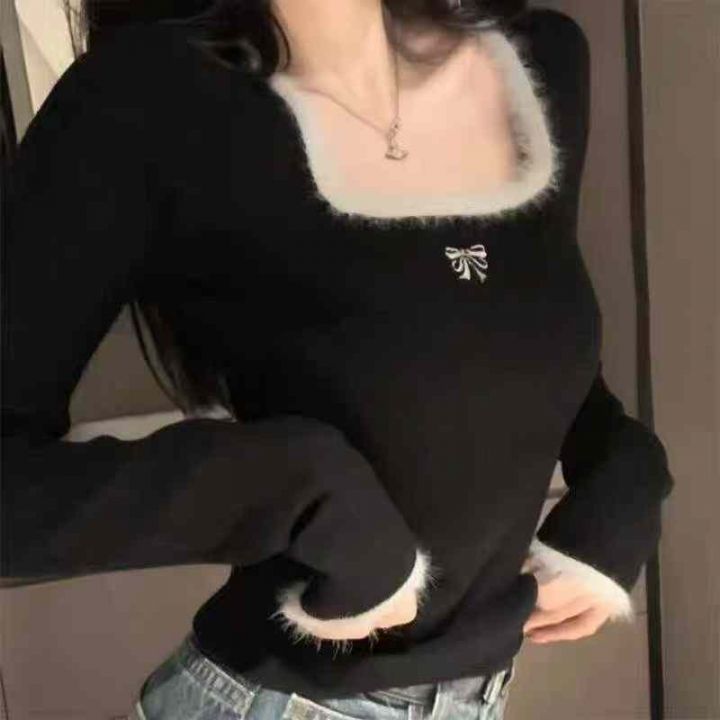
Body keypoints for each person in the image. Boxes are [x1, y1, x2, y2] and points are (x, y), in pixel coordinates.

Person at [1, 1, 676, 718]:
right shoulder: (143, 96)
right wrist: (291, 485)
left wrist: (625, 466)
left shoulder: (542, 61)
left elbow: (491, 354)